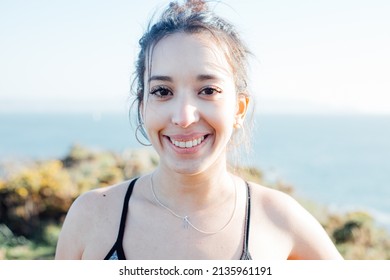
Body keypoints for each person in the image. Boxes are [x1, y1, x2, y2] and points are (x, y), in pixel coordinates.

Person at [55, 0, 343, 260]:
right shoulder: (92, 216)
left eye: (207, 90)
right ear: (142, 106)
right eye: (162, 91)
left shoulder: (279, 220)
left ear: (239, 109)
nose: (184, 117)